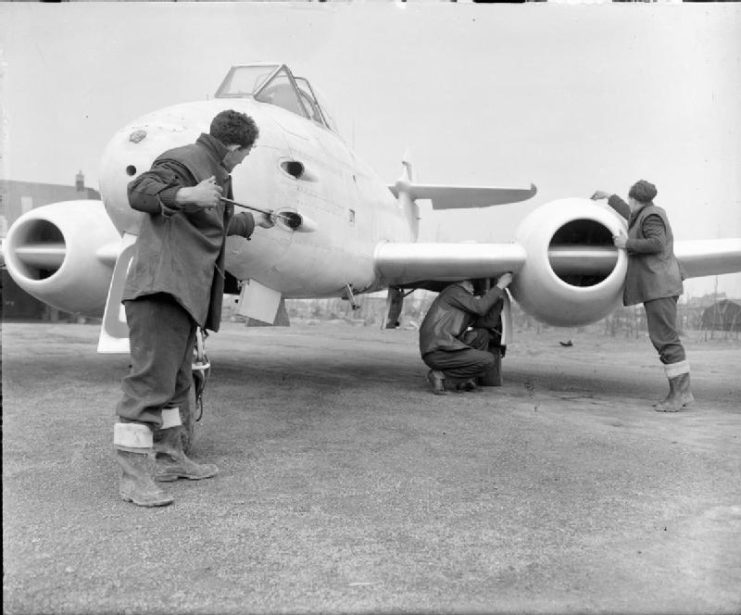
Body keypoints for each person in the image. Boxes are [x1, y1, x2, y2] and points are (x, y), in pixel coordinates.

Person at [113, 110, 273, 507]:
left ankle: (169, 458)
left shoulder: (215, 170)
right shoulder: (184, 159)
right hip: (162, 290)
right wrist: (186, 194)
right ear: (235, 147)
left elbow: (212, 221)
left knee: (178, 385)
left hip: (183, 294)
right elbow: (139, 191)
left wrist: (257, 222)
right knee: (150, 386)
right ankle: (133, 478)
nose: (242, 162)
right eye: (245, 155)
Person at [591, 180, 693, 413]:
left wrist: (626, 243)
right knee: (664, 338)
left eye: (628, 200)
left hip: (660, 286)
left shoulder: (652, 217)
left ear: (635, 199)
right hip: (659, 286)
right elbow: (630, 214)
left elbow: (656, 243)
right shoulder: (646, 212)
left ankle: (680, 395)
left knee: (666, 339)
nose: (628, 204)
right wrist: (610, 197)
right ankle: (681, 393)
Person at [419, 274, 513, 395]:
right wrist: (500, 285)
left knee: (481, 334)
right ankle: (439, 375)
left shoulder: (464, 303)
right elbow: (480, 307)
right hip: (438, 350)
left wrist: (498, 298)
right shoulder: (453, 291)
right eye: (470, 283)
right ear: (460, 282)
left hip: (447, 347)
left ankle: (464, 381)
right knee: (488, 360)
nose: (473, 288)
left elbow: (487, 323)